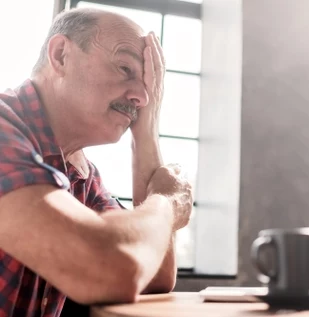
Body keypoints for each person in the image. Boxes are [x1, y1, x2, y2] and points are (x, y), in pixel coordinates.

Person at [0, 7, 193, 317]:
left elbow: (154, 276)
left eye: (147, 84)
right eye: (125, 68)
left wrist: (146, 136)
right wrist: (168, 202)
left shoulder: (81, 173)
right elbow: (113, 268)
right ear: (61, 55)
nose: (142, 97)